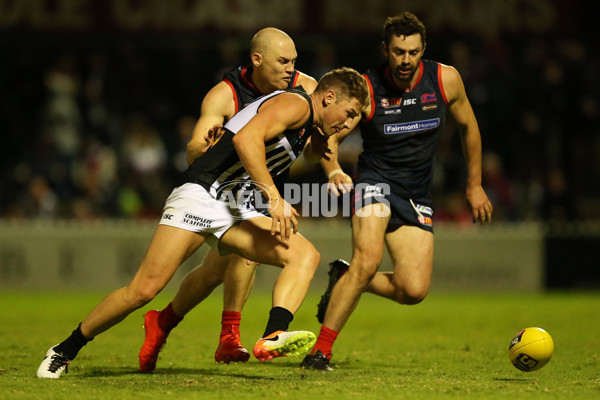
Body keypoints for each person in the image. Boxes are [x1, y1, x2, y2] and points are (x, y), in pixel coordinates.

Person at [37, 66, 369, 379]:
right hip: (202, 193)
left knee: (303, 255)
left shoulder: (311, 120)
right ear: (328, 98)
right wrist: (275, 197)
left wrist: (334, 168)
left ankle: (273, 334)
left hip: (234, 203)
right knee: (143, 290)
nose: (349, 124)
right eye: (350, 113)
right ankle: (64, 350)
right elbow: (245, 139)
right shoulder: (295, 104)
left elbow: (319, 148)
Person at [300, 12, 493, 371]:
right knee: (368, 259)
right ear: (385, 50)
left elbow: (470, 129)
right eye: (398, 52)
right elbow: (329, 135)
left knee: (413, 290)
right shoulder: (367, 88)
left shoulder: (445, 79)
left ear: (424, 50)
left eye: (413, 52)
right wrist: (334, 169)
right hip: (374, 182)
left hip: (416, 193)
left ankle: (346, 278)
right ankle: (320, 353)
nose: (406, 60)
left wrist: (475, 184)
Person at [138, 27, 319, 371]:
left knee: (212, 272)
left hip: (266, 188)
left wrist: (330, 162)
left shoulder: (304, 87)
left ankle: (163, 323)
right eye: (283, 61)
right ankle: (228, 337)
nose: (290, 69)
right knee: (239, 260)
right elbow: (194, 154)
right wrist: (203, 145)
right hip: (222, 191)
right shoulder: (224, 95)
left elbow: (315, 144)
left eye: (293, 62)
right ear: (257, 60)